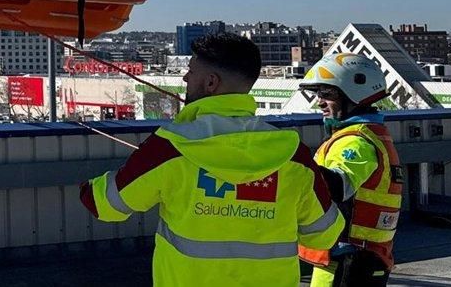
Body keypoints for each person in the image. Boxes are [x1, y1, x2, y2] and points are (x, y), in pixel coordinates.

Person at [79, 33, 344, 286]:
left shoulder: (171, 146)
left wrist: (87, 188)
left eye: (191, 72)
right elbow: (326, 233)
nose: (184, 77)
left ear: (211, 83)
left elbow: (107, 205)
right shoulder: (292, 156)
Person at [298, 52, 404, 286]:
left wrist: (292, 160)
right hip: (354, 259)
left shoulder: (355, 141)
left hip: (347, 262)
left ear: (354, 94)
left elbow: (336, 187)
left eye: (327, 93)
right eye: (317, 93)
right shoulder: (368, 135)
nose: (319, 101)